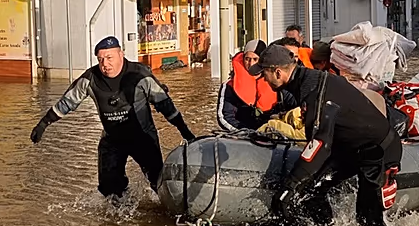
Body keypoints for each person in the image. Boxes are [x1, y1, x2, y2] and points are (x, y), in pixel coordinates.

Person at [259, 45, 402, 226]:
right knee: (311, 190)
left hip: (378, 151)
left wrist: (289, 186)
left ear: (278, 72)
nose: (263, 80)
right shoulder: (304, 82)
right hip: (350, 147)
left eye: (264, 74)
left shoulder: (315, 90)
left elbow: (319, 145)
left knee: (367, 217)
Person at [30, 36, 197, 199]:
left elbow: (165, 105)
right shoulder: (90, 79)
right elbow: (66, 103)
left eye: (109, 57)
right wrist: (43, 124)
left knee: (158, 184)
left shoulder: (139, 74)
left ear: (121, 54)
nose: (105, 64)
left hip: (142, 138)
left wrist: (184, 131)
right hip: (112, 140)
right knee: (109, 192)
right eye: (100, 59)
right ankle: (119, 220)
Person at [217, 39, 296, 131]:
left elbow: (293, 106)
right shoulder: (229, 86)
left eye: (255, 59)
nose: (251, 63)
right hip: (242, 134)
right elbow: (225, 117)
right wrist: (244, 132)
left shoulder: (277, 80)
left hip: (272, 131)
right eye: (247, 59)